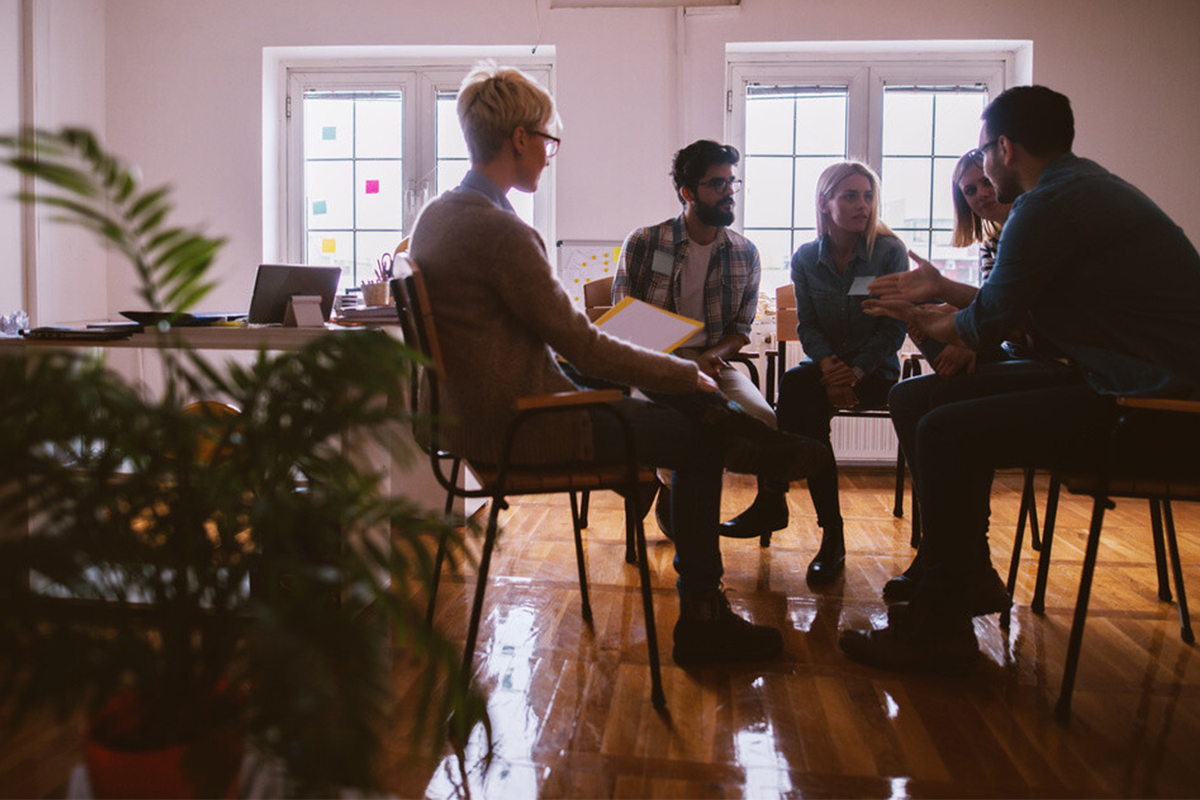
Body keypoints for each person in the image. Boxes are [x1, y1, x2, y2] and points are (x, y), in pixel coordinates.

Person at [408, 63, 831, 666]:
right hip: (521, 425)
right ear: (520, 139)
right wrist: (683, 373)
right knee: (693, 440)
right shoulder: (502, 232)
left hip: (468, 417)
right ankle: (704, 616)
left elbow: (554, 342)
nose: (551, 154)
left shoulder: (437, 217)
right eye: (549, 140)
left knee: (682, 407)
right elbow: (582, 343)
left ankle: (728, 427)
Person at [843, 85, 1200, 671]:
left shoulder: (1047, 205)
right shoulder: (1080, 188)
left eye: (983, 154)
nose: (981, 168)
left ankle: (942, 625)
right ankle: (967, 575)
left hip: (1153, 409)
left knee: (945, 430)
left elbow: (988, 324)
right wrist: (942, 313)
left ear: (1004, 148)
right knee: (914, 399)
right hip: (1119, 381)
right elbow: (1018, 317)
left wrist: (931, 318)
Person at [614, 140, 787, 545]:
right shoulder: (644, 242)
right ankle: (677, 497)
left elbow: (741, 328)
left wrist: (712, 356)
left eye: (732, 183)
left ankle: (771, 501)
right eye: (717, 184)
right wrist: (673, 364)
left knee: (764, 418)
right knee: (674, 428)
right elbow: (625, 320)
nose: (729, 193)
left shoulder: (745, 253)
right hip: (654, 361)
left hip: (714, 362)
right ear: (688, 192)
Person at [774, 161, 908, 585]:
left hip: (877, 373)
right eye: (850, 196)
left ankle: (776, 495)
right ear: (824, 203)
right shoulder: (805, 259)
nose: (862, 206)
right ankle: (830, 533)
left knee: (801, 396)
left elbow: (894, 325)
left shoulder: (888, 252)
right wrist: (831, 365)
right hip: (828, 370)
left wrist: (856, 371)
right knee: (799, 389)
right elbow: (807, 325)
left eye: (868, 196)